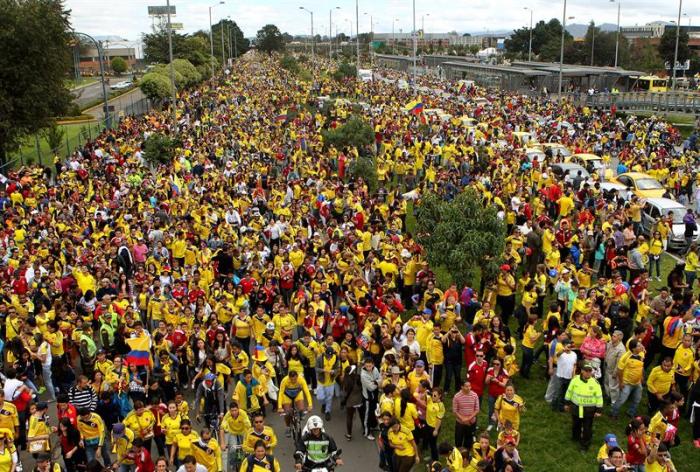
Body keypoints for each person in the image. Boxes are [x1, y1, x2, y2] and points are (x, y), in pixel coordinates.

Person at [564, 362, 603, 451]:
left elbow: (599, 398)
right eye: (586, 371)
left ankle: (585, 445)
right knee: (575, 425)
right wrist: (566, 403)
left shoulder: (595, 383)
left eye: (590, 371)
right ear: (582, 371)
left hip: (589, 410)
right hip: (576, 408)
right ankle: (575, 438)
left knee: (587, 428)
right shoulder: (575, 380)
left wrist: (599, 411)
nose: (588, 373)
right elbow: (569, 392)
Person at [453, 380, 479, 452]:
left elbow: (477, 409)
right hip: (460, 423)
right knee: (458, 440)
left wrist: (468, 419)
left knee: (469, 441)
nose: (469, 388)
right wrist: (463, 419)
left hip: (471, 422)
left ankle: (466, 455)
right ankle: (458, 454)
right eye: (466, 386)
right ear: (462, 387)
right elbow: (455, 411)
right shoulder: (457, 396)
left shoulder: (474, 395)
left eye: (469, 386)